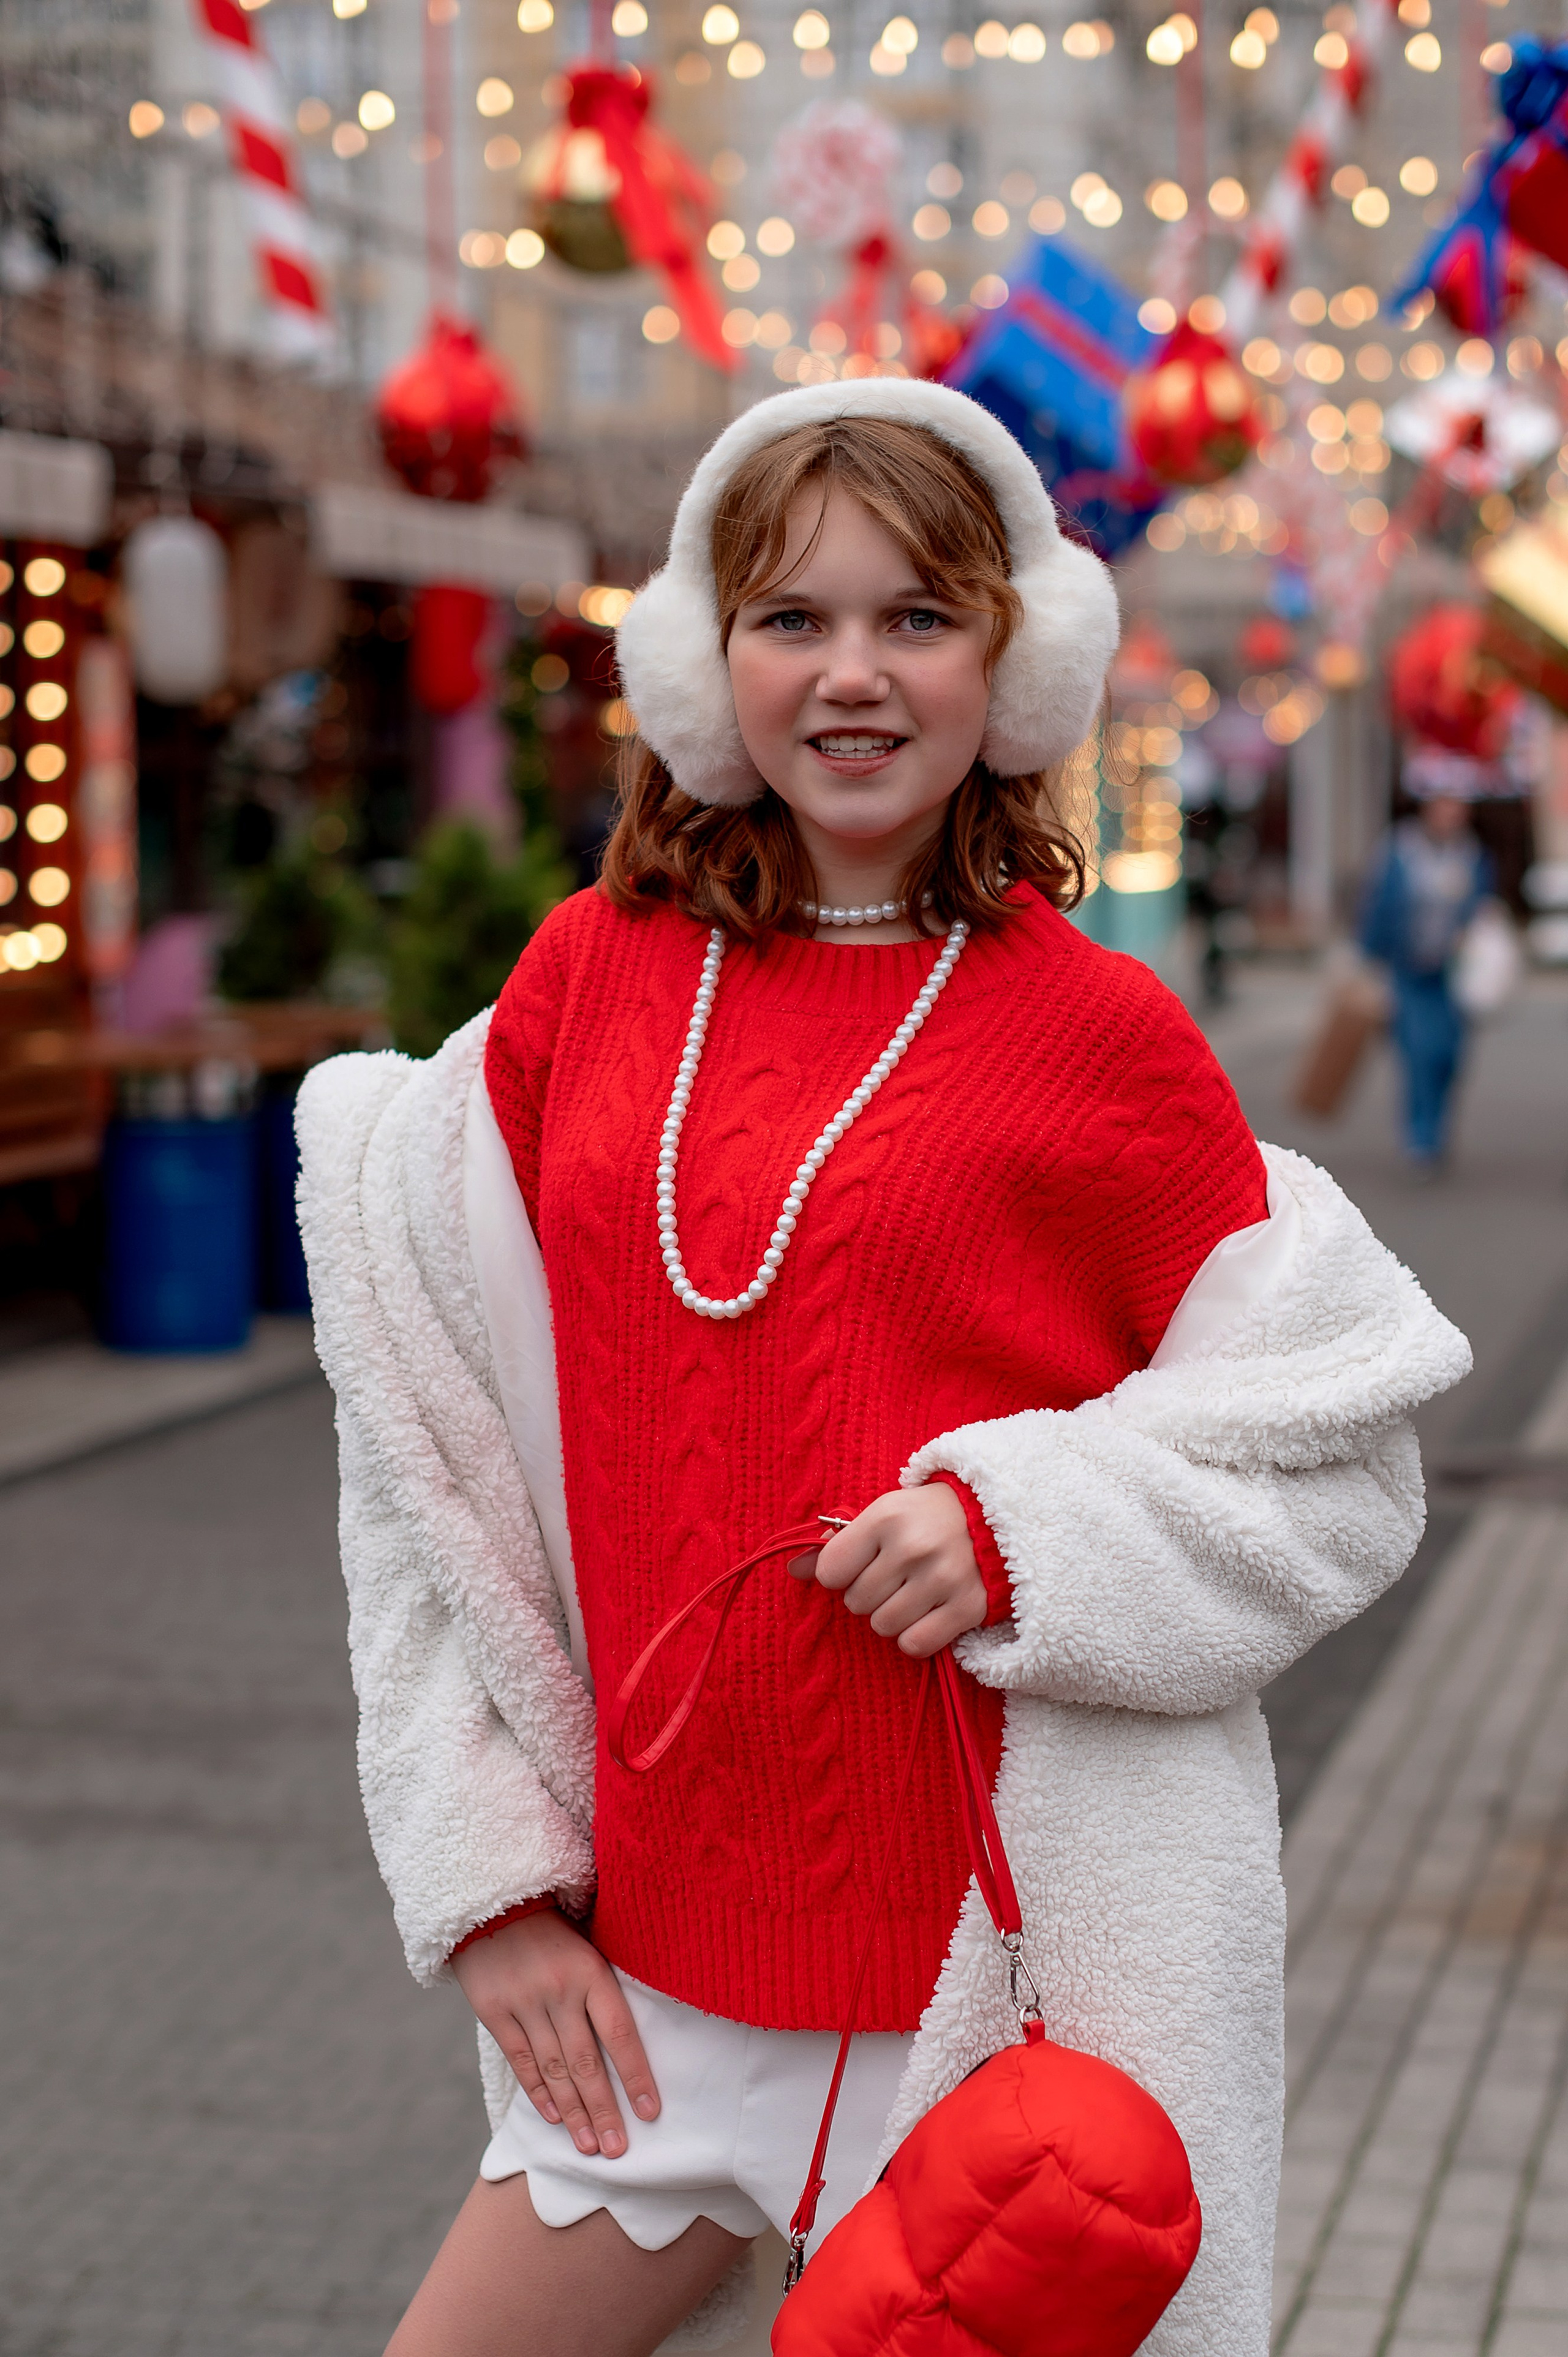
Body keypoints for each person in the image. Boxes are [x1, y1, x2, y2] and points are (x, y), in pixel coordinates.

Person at [297, 380, 1469, 2357]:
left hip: (994, 2009)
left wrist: (1025, 1529)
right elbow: (425, 1441)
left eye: (916, 617)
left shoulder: (1105, 1043)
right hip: (658, 1991)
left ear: (1010, 659)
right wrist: (489, 1879)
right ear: (706, 655)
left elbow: (1342, 1455)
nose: (854, 673)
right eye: (793, 618)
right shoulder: (581, 982)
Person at [1358, 792, 1494, 1172]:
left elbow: (1484, 907)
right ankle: (1421, 1137)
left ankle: (1439, 1125)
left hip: (1455, 973)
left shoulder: (1472, 854)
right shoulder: (1399, 849)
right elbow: (1376, 906)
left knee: (1449, 1055)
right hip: (1407, 968)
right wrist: (1367, 960)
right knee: (1419, 1052)